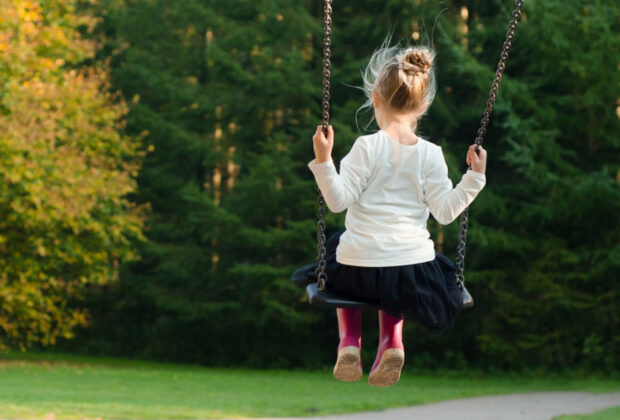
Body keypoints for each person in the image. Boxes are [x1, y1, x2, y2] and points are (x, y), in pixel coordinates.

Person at [292, 44, 487, 387]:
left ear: (375, 98)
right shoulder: (431, 154)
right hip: (411, 271)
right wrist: (475, 178)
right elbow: (445, 213)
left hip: (358, 269)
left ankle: (349, 342)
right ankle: (392, 342)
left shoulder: (366, 147)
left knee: (340, 251)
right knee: (397, 274)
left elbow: (337, 202)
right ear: (423, 105)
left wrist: (324, 160)